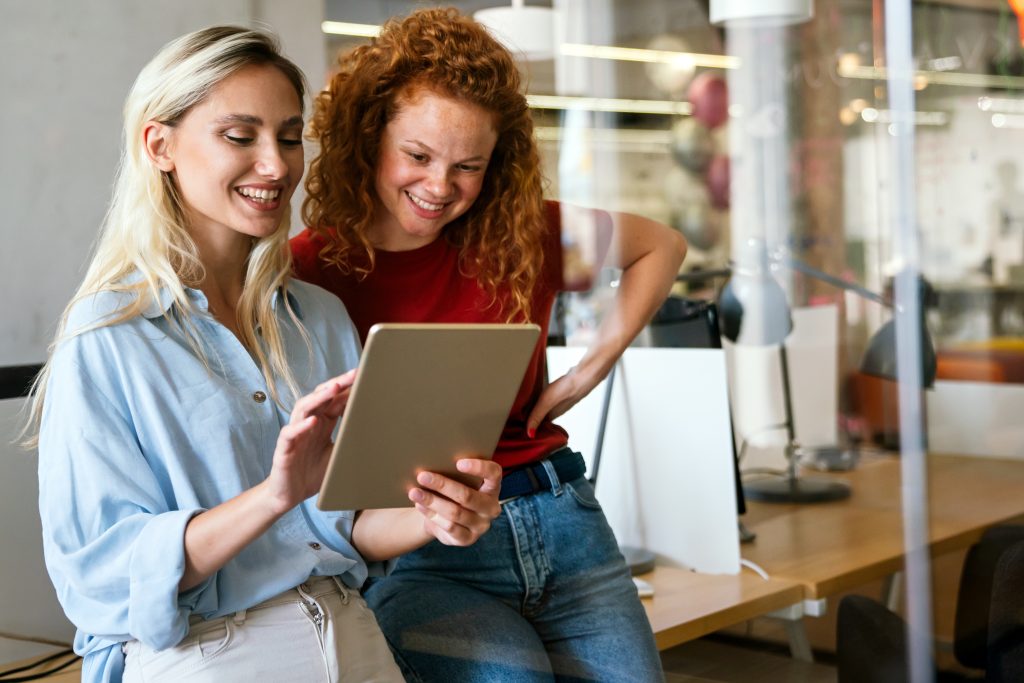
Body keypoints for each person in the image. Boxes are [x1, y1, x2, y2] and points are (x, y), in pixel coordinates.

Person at [26, 26, 503, 683]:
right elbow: (102, 576)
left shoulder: (318, 317)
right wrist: (274, 496)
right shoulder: (108, 336)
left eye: (288, 136)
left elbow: (343, 524)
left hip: (352, 634)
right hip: (211, 652)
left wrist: (437, 515)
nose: (277, 165)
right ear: (159, 145)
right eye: (239, 135)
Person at [291, 7, 688, 682]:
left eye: (467, 165)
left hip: (565, 519)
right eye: (418, 156)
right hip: (427, 551)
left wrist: (588, 369)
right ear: (369, 136)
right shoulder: (311, 268)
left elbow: (662, 246)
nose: (440, 186)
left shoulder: (521, 232)